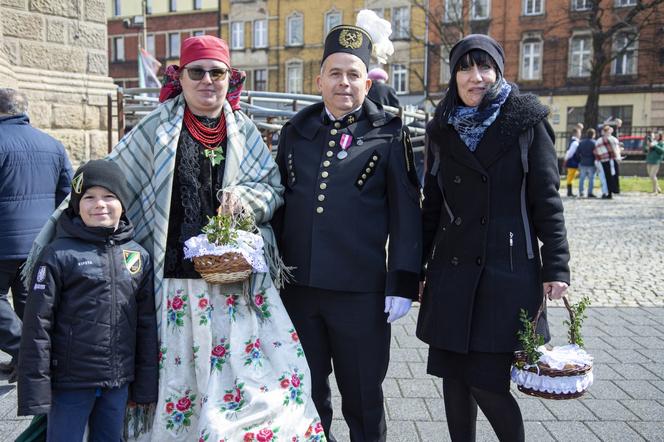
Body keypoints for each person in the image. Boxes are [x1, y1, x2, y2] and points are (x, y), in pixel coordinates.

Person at [25, 35, 323, 440]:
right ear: (179, 77)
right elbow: (112, 176)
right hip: (171, 287)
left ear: (229, 79)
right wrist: (65, 233)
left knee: (260, 385)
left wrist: (246, 201)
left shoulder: (247, 132)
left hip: (231, 283)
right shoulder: (156, 127)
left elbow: (273, 190)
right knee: (176, 382)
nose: (207, 81)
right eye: (196, 72)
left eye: (216, 72)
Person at [416, 34, 570, 442]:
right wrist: (415, 269)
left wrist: (556, 265)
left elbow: (546, 200)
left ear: (499, 71)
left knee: (487, 382)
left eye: (485, 67)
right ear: (454, 76)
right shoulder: (442, 127)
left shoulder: (526, 121)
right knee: (453, 379)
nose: (476, 77)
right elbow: (431, 207)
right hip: (451, 272)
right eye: (465, 68)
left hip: (507, 273)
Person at [273, 21, 422, 442]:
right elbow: (280, 205)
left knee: (362, 398)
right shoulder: (296, 132)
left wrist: (403, 281)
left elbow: (407, 216)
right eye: (335, 73)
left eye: (353, 74)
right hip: (300, 292)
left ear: (367, 82)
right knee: (306, 394)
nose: (344, 82)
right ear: (319, 79)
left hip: (361, 295)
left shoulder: (390, 136)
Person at [17, 160, 158, 442]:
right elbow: (37, 326)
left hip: (117, 382)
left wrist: (143, 386)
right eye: (89, 197)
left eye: (109, 196)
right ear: (76, 205)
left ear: (123, 203)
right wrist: (36, 390)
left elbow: (146, 326)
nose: (100, 205)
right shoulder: (58, 254)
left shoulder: (138, 257)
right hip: (70, 383)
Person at [0, 88, 73, 382]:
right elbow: (67, 196)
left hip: (4, 240)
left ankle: (24, 354)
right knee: (30, 303)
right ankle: (29, 362)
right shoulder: (53, 145)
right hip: (40, 241)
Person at [593, 125, 620, 199]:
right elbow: (617, 150)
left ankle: (609, 192)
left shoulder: (600, 140)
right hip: (611, 160)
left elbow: (596, 152)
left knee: (607, 177)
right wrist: (617, 158)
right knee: (612, 176)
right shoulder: (613, 139)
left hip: (604, 161)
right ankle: (612, 191)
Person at [577, 128, 598, 198]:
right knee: (591, 179)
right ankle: (590, 192)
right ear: (593, 135)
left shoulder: (581, 142)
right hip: (591, 163)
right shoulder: (594, 143)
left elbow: (577, 153)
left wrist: (580, 159)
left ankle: (581, 192)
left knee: (582, 178)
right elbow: (596, 153)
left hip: (582, 162)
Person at [564, 127, 581, 197]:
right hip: (572, 162)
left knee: (571, 176)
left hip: (571, 161)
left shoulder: (573, 141)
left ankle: (570, 191)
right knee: (570, 177)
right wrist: (566, 159)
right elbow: (570, 152)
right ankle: (569, 192)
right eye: (579, 133)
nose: (580, 134)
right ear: (576, 133)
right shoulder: (575, 142)